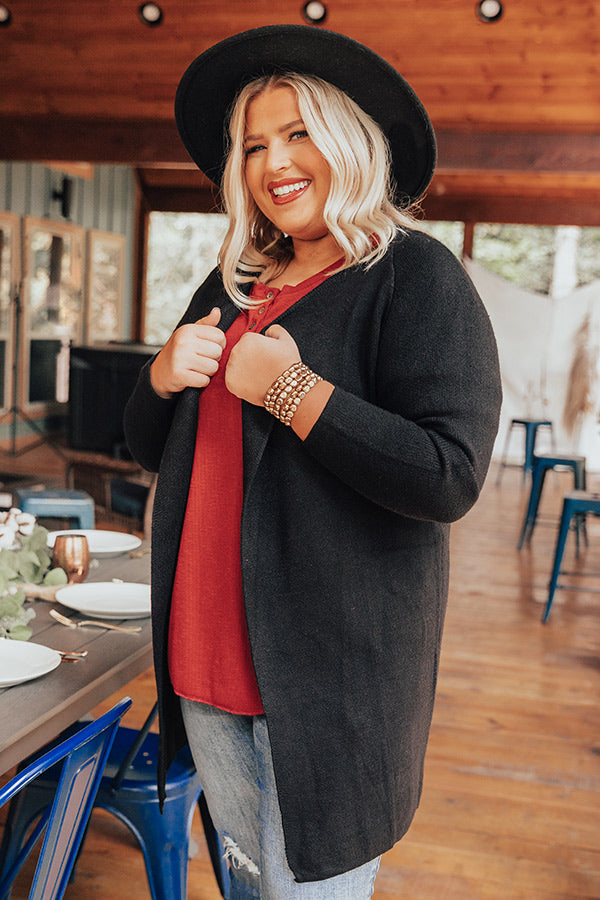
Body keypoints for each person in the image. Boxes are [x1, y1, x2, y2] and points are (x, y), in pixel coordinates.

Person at [124, 24, 502, 900]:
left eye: (298, 133)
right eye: (253, 144)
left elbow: (449, 474)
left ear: (350, 143)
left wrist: (293, 392)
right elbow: (153, 450)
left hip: (328, 687)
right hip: (203, 660)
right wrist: (161, 376)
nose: (274, 162)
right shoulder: (230, 287)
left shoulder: (415, 276)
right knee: (248, 887)